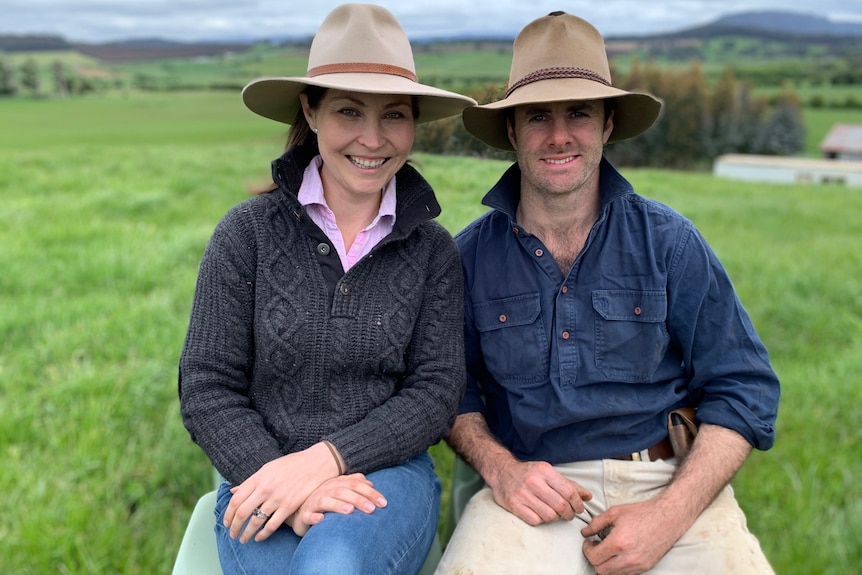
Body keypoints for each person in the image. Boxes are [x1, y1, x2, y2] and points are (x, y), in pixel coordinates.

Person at [434, 11, 780, 575]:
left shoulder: (670, 243)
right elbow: (448, 391)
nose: (559, 135)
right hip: (531, 488)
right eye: (538, 116)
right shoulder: (467, 258)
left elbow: (744, 387)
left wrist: (668, 515)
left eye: (580, 113)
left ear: (609, 125)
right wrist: (501, 470)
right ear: (512, 131)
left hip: (667, 483)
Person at [178, 4, 476, 574]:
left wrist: (327, 461)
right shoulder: (247, 235)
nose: (372, 137)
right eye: (348, 111)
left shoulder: (433, 251)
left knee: (332, 564)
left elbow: (435, 394)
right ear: (310, 113)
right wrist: (285, 482)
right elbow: (207, 386)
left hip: (387, 475)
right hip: (259, 471)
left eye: (393, 115)